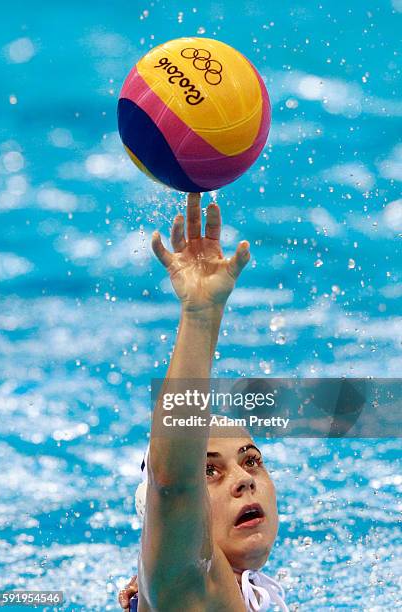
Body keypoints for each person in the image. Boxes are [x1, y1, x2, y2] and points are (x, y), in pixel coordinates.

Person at [118, 193, 289, 611]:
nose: (246, 480)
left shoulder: (254, 593)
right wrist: (199, 314)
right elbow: (172, 483)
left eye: (252, 460)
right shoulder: (190, 593)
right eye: (209, 471)